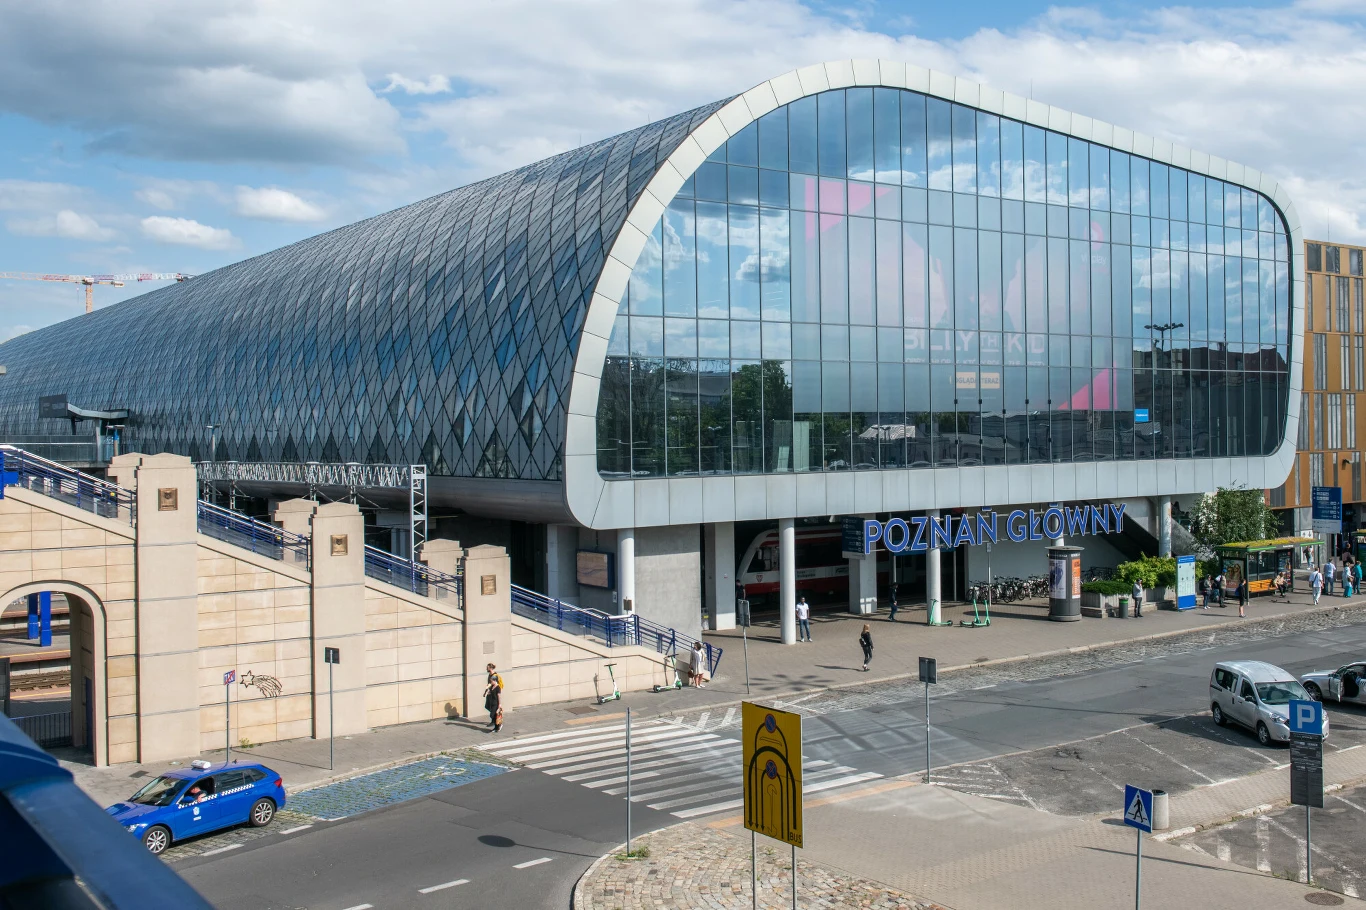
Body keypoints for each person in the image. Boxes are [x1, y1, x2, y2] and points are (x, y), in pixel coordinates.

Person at [484, 662, 504, 733]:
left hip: (494, 697)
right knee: (488, 706)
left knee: (493, 712)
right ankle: (495, 723)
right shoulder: (489, 675)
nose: (486, 668)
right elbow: (489, 684)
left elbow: (498, 691)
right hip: (491, 694)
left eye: (487, 667)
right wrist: (486, 692)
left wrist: (500, 704)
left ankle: (496, 723)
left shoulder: (495, 676)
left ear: (490, 668)